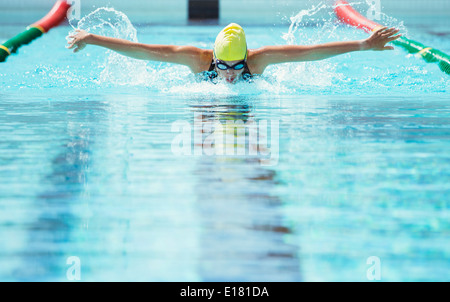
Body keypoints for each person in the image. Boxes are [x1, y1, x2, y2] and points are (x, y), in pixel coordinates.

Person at [67, 23, 401, 83]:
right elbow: (144, 52)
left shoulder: (258, 60)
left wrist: (364, 45)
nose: (228, 73)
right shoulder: (197, 59)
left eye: (236, 66)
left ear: (246, 58)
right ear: (213, 57)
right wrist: (93, 38)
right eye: (223, 65)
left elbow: (309, 53)